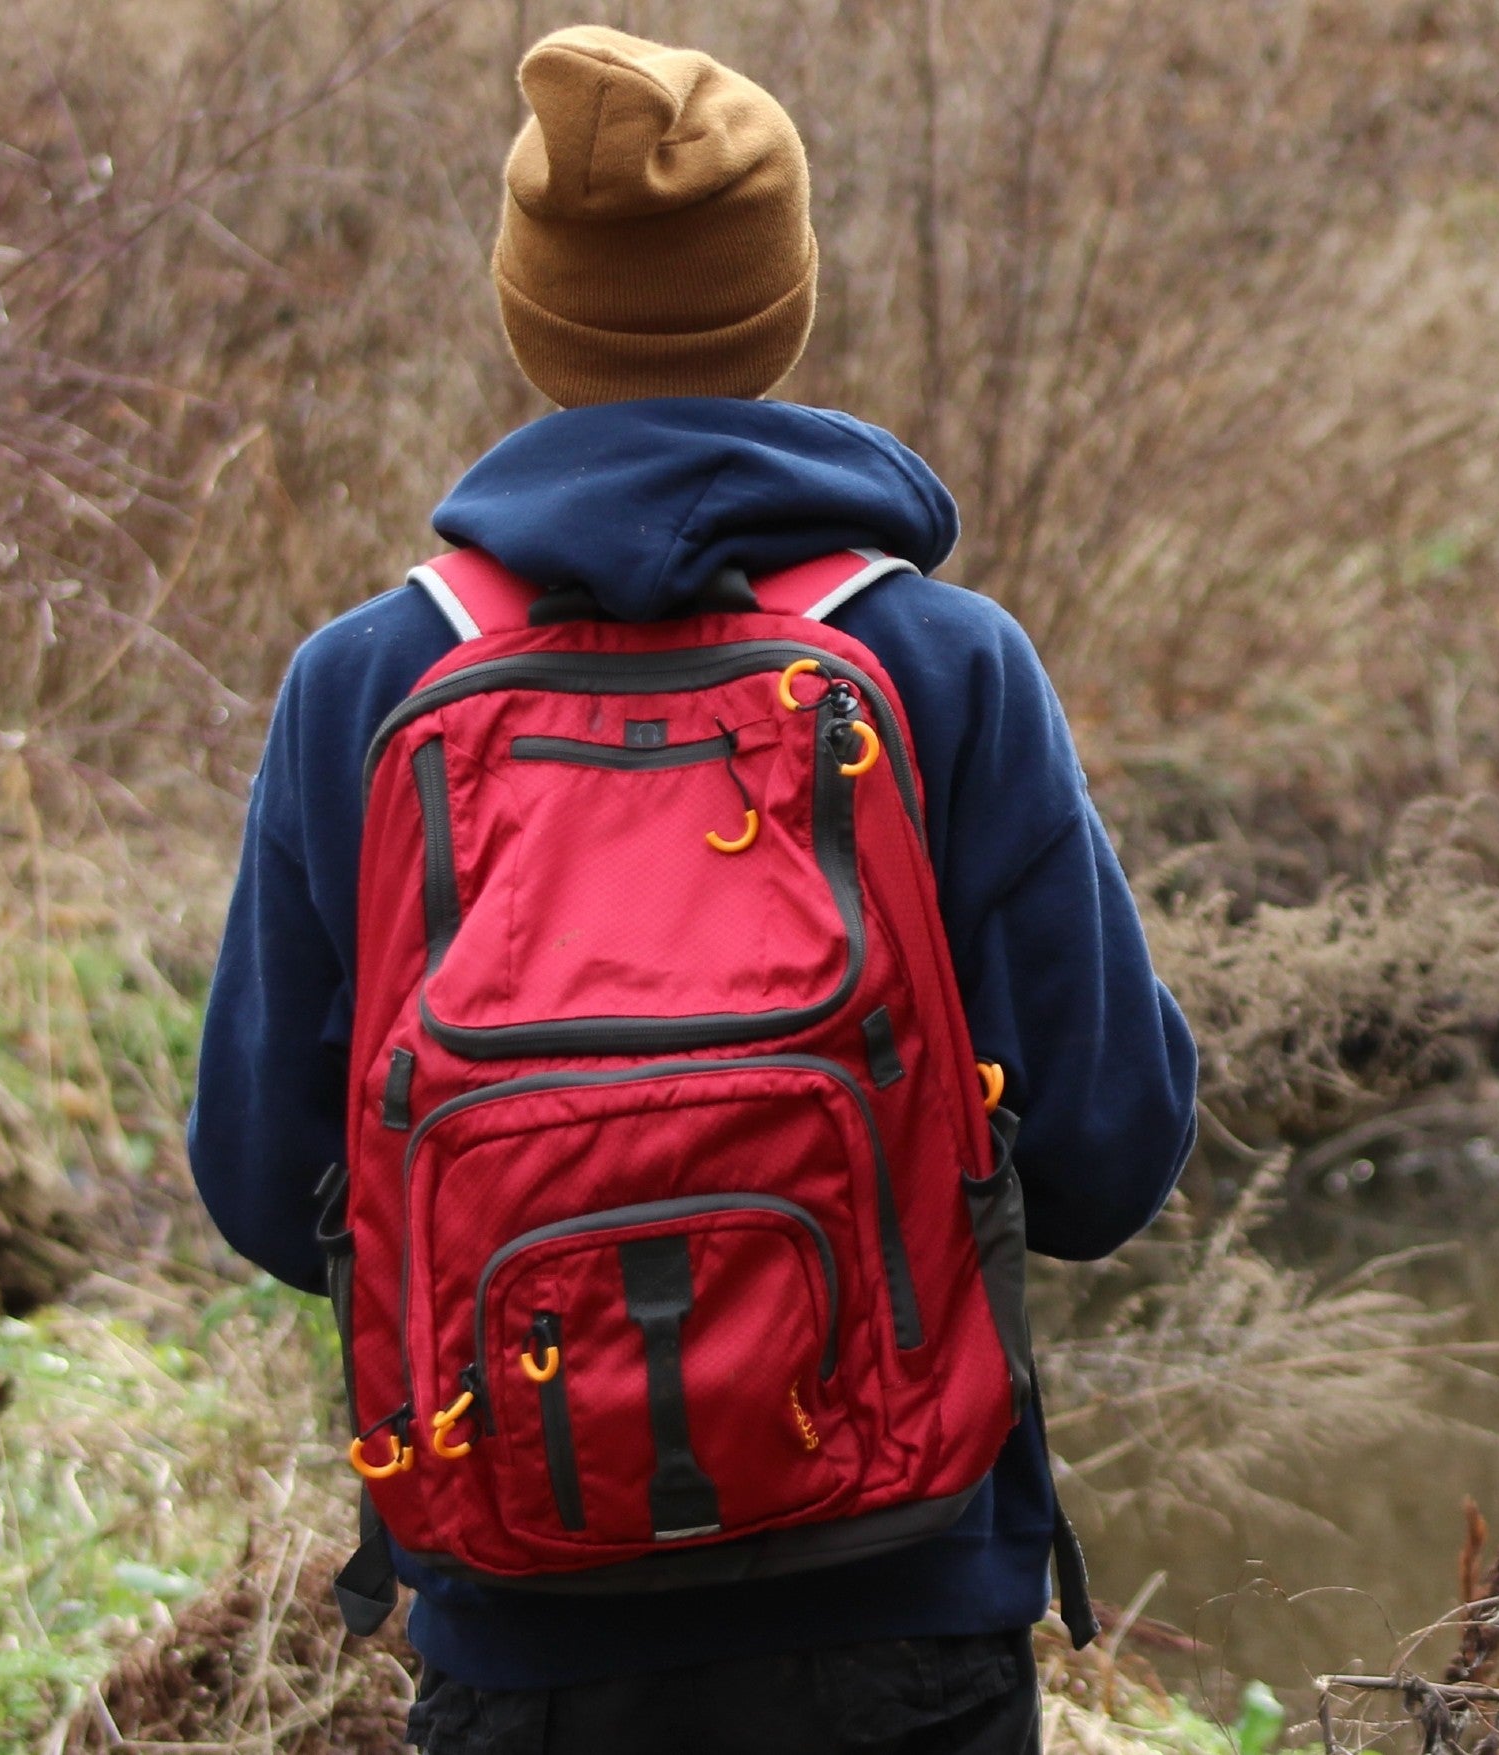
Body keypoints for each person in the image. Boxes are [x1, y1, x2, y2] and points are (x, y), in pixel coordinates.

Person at [185, 25, 1199, 1754]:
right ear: (784, 303)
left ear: (528, 317)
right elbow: (1110, 1160)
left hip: (523, 1629)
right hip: (907, 1610)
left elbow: (265, 1185)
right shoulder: (940, 666)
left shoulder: (362, 687)